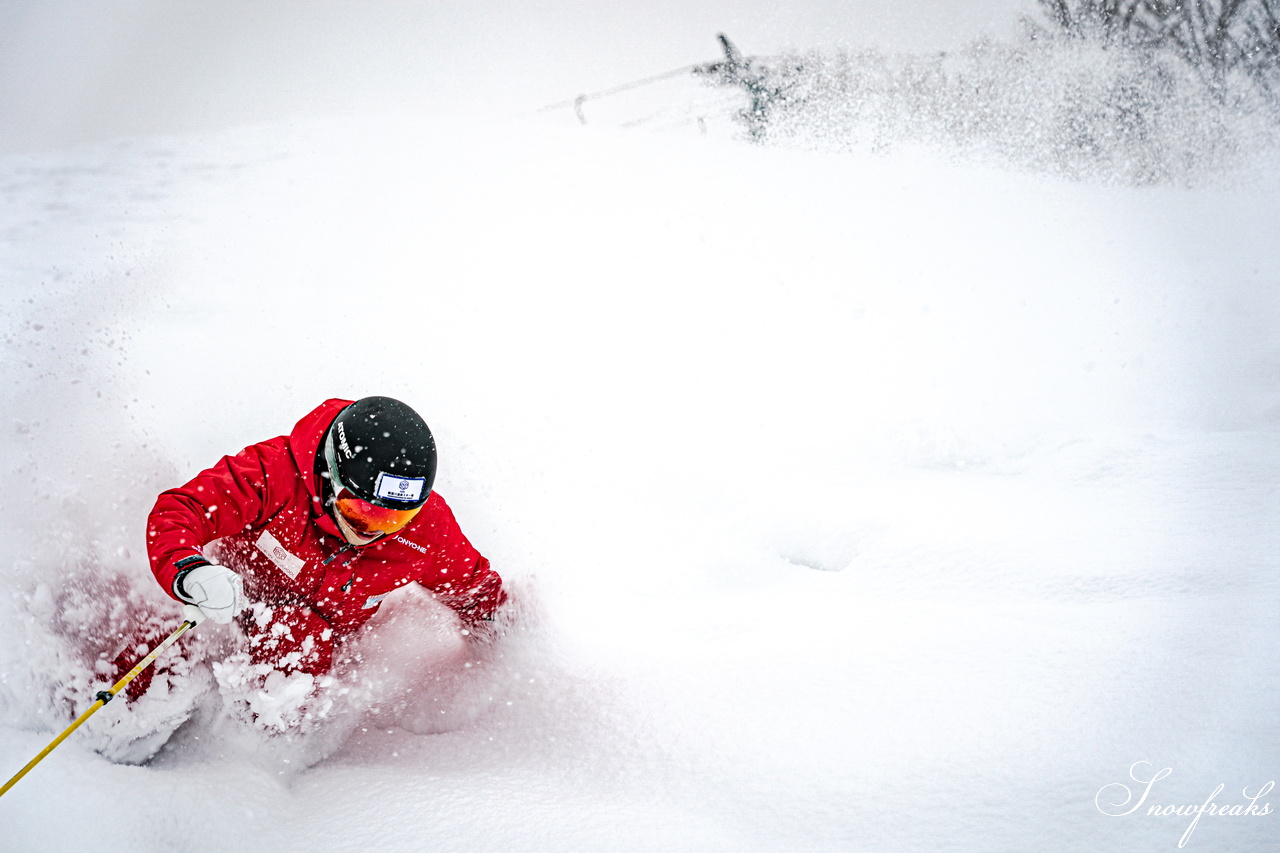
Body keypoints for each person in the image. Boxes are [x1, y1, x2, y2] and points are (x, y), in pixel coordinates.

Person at [115, 396, 504, 699]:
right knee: (160, 632)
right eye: (362, 511)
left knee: (299, 635)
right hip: (218, 604)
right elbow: (183, 510)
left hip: (303, 655)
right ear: (331, 476)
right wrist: (190, 570)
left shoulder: (427, 530)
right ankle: (118, 723)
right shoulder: (274, 474)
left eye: (394, 520)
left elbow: (476, 593)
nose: (373, 532)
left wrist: (510, 647)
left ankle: (252, 754)